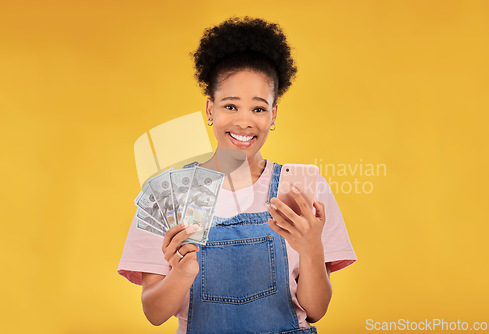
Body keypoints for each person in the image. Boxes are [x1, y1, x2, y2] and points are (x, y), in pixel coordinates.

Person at [117, 16, 357, 334]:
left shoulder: (301, 189)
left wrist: (312, 248)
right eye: (231, 106)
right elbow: (154, 312)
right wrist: (183, 271)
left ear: (273, 115)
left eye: (258, 109)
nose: (244, 121)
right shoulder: (166, 193)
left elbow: (316, 310)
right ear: (210, 109)